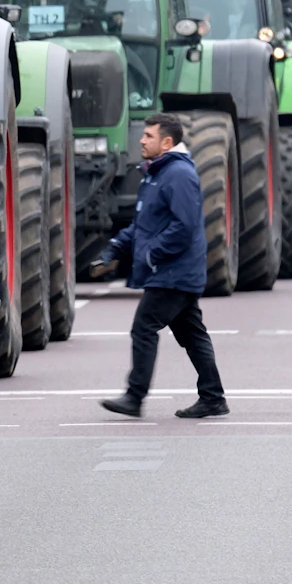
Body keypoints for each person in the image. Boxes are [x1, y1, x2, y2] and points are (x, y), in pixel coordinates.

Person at [92, 113, 227, 419]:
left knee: (143, 328)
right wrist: (114, 249)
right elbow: (143, 225)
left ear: (167, 142)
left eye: (149, 136)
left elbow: (185, 226)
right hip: (171, 271)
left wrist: (152, 254)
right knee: (192, 335)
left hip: (172, 273)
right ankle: (213, 397)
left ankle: (134, 397)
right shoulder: (156, 174)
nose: (142, 140)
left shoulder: (178, 174)